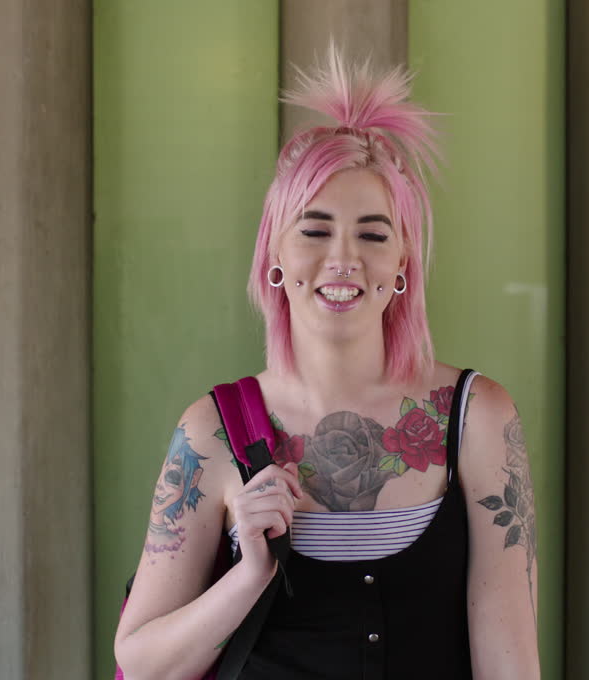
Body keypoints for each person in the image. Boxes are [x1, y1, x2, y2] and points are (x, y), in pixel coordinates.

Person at [114, 47, 542, 680]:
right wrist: (249, 576)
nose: (343, 259)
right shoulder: (211, 433)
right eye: (315, 231)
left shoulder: (477, 419)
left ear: (402, 263)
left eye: (372, 234)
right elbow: (141, 662)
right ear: (275, 254)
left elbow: (510, 665)